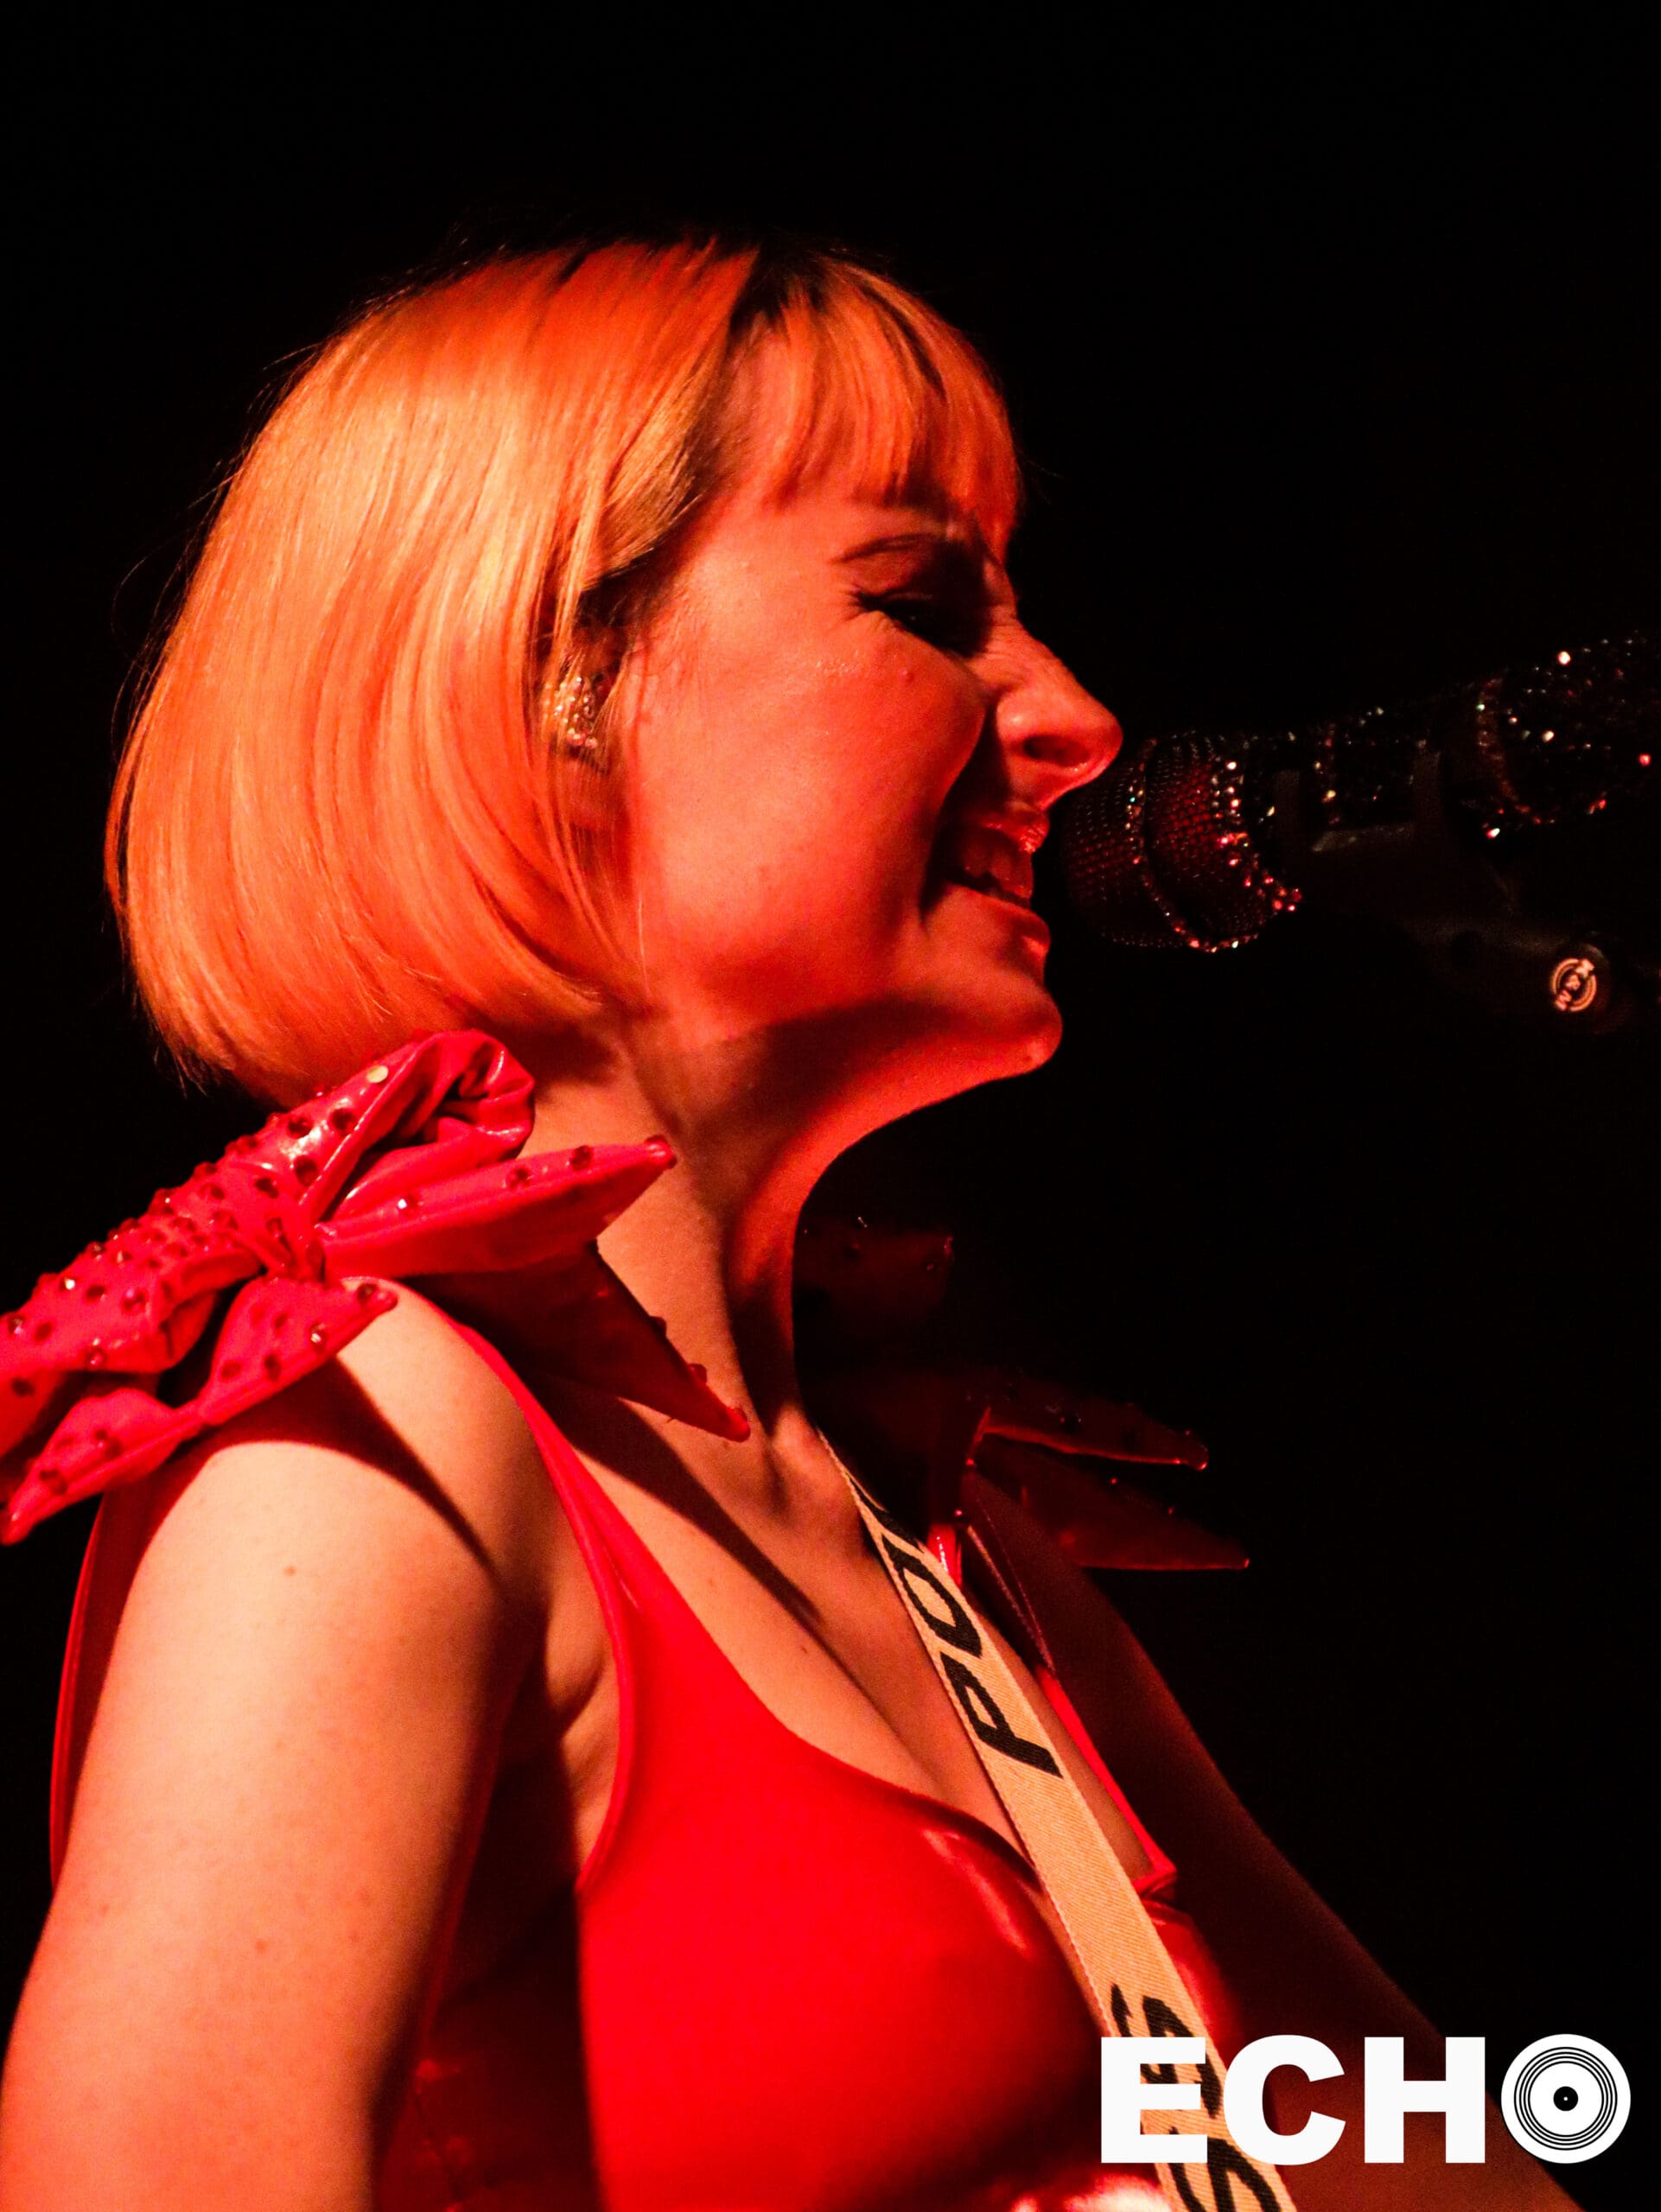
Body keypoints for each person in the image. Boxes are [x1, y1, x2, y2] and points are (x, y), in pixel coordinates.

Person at [0, 234, 1571, 2211]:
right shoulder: (372, 1463)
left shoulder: (944, 1525)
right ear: (551, 683)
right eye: (920, 605)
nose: (1078, 720)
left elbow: (1402, 2149)